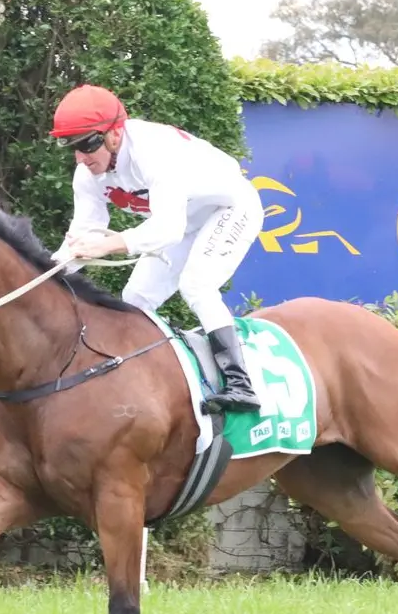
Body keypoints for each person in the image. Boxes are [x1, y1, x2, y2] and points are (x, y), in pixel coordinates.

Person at [48, 83, 264, 413]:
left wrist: (106, 246)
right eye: (71, 147)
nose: (80, 157)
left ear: (115, 133)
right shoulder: (87, 176)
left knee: (196, 285)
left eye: (86, 144)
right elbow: (81, 236)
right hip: (185, 224)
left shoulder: (153, 152)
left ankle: (240, 384)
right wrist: (46, 272)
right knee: (135, 298)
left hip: (229, 209)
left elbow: (167, 229)